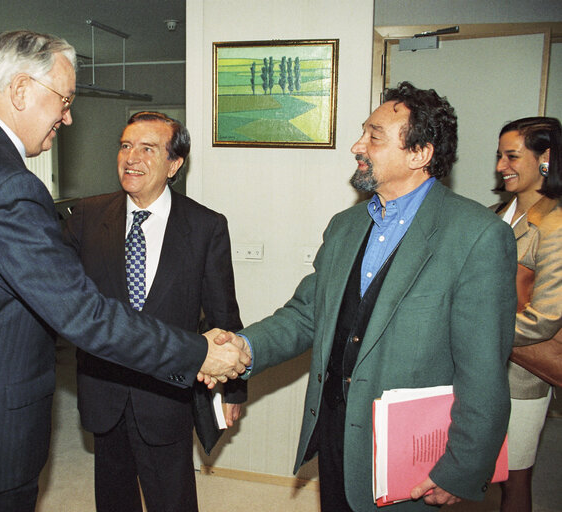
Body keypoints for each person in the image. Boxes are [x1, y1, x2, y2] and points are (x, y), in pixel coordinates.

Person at [0, 31, 249, 512]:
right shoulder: (9, 184)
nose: (68, 117)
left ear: (175, 163)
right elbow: (83, 312)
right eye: (65, 99)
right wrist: (199, 351)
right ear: (21, 90)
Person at [209, 82, 517, 511]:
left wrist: (463, 467)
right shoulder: (344, 226)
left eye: (374, 136)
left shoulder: (477, 236)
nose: (358, 145)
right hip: (334, 430)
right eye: (363, 132)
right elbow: (305, 316)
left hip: (412, 456)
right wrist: (243, 347)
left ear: (419, 154)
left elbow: (483, 372)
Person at [64, 111, 246, 512]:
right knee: (113, 497)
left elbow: (223, 313)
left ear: (174, 163)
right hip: (103, 386)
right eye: (126, 146)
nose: (132, 158)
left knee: (173, 498)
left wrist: (234, 386)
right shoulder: (87, 216)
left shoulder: (205, 226)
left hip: (167, 391)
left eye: (148, 148)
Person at [493, 116, 562, 512]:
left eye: (513, 156)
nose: (502, 165)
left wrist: (477, 327)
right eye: (499, 156)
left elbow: (545, 319)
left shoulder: (553, 228)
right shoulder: (495, 214)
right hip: (475, 368)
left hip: (522, 379)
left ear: (546, 158)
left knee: (514, 481)